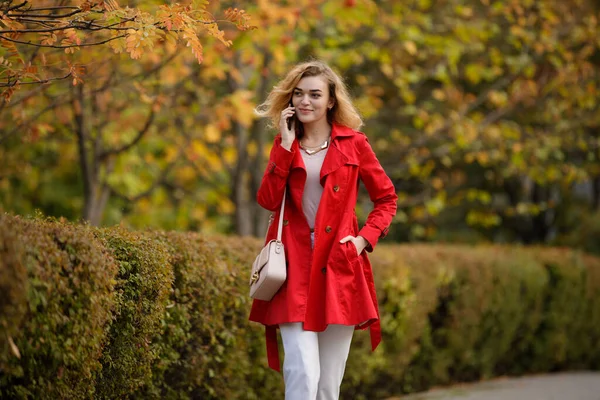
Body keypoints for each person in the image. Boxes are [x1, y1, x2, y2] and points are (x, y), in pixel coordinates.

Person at [249, 60, 397, 400]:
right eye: (298, 94)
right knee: (302, 371)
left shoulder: (355, 144)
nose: (305, 101)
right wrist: (285, 148)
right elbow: (268, 200)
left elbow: (387, 199)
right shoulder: (283, 145)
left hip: (340, 266)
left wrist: (362, 240)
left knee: (328, 385)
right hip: (292, 268)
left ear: (331, 101)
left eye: (315, 94)